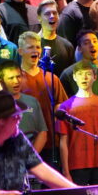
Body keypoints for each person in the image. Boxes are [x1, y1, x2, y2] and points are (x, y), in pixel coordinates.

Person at [58, 60, 98, 185]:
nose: (84, 77)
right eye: (80, 74)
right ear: (74, 77)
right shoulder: (66, 107)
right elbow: (63, 141)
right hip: (77, 166)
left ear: (95, 77)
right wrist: (66, 172)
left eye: (88, 74)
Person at [60, 30, 98, 139]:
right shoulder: (69, 74)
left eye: (95, 41)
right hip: (82, 133)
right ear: (79, 49)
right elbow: (63, 108)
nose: (92, 45)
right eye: (86, 43)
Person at [18, 31, 69, 165]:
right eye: (30, 47)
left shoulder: (51, 78)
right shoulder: (15, 79)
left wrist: (58, 112)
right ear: (20, 51)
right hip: (25, 143)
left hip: (51, 144)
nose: (35, 50)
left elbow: (61, 104)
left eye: (38, 47)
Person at [0, 60, 47, 153]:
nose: (16, 81)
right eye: (11, 78)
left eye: (18, 76)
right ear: (1, 80)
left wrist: (32, 157)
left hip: (29, 157)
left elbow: (42, 132)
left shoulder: (32, 101)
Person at [37, 0, 75, 76]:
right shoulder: (31, 45)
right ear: (39, 18)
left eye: (54, 13)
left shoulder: (67, 46)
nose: (52, 16)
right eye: (47, 14)